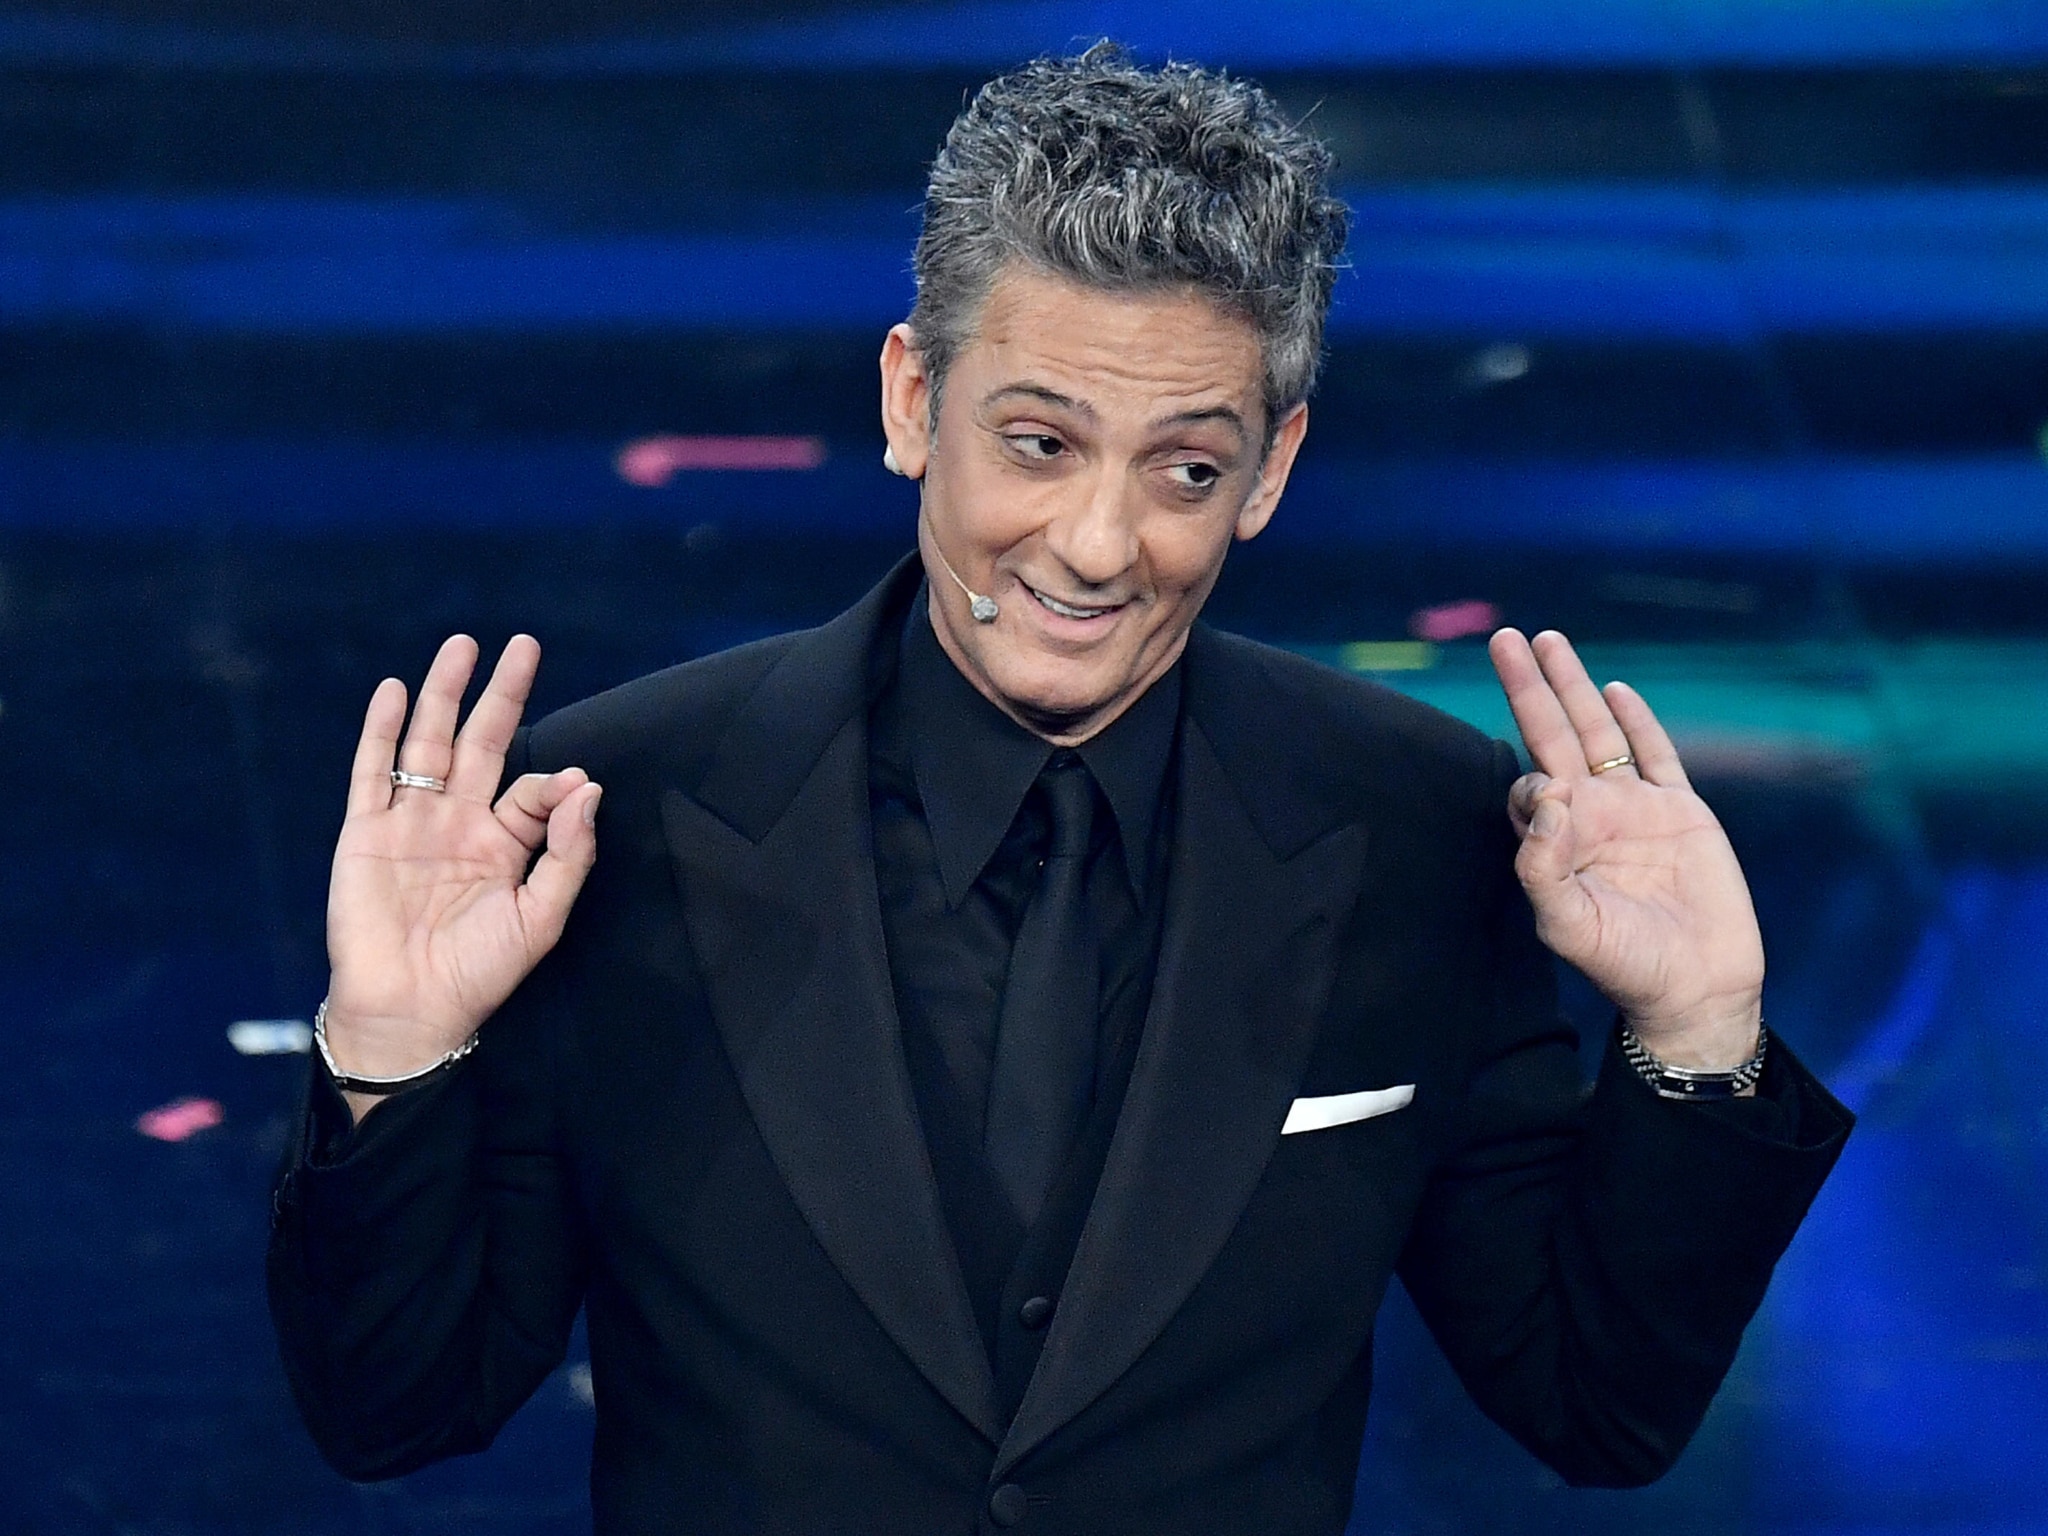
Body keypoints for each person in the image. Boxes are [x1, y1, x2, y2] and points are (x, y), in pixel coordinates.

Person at [267, 45, 1849, 1536]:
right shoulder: (613, 819)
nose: (1099, 547)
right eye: (1038, 444)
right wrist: (390, 1057)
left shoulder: (1415, 828)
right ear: (912, 401)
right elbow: (396, 1411)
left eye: (1186, 470)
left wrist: (1698, 1038)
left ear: (1273, 468)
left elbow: (1597, 1402)